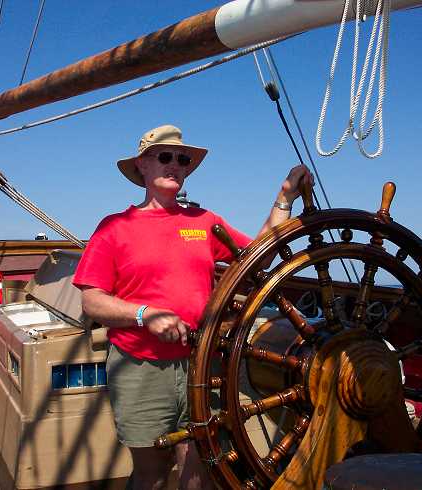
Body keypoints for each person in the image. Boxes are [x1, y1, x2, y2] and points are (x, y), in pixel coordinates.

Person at [73, 124, 313, 490]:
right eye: (165, 157)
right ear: (143, 166)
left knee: (198, 463)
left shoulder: (204, 223)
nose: (175, 165)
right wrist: (144, 315)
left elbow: (256, 257)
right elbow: (91, 300)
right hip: (141, 368)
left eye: (182, 159)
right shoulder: (114, 228)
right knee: (151, 473)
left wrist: (284, 198)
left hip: (200, 362)